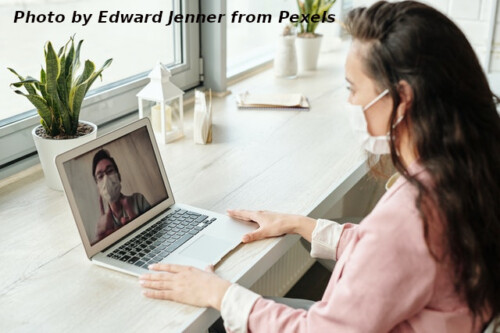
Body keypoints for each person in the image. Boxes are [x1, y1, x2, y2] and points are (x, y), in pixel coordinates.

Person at [138, 1, 500, 332]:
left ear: (402, 99)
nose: (349, 102)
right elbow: (392, 260)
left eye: (352, 88)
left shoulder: (412, 215)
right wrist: (302, 225)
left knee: (212, 324)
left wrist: (218, 293)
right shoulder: (465, 171)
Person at [93, 149, 151, 242]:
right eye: (100, 176)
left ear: (119, 176)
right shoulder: (102, 225)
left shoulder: (138, 200)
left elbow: (156, 231)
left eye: (110, 171)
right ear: (98, 187)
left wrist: (136, 223)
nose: (106, 178)